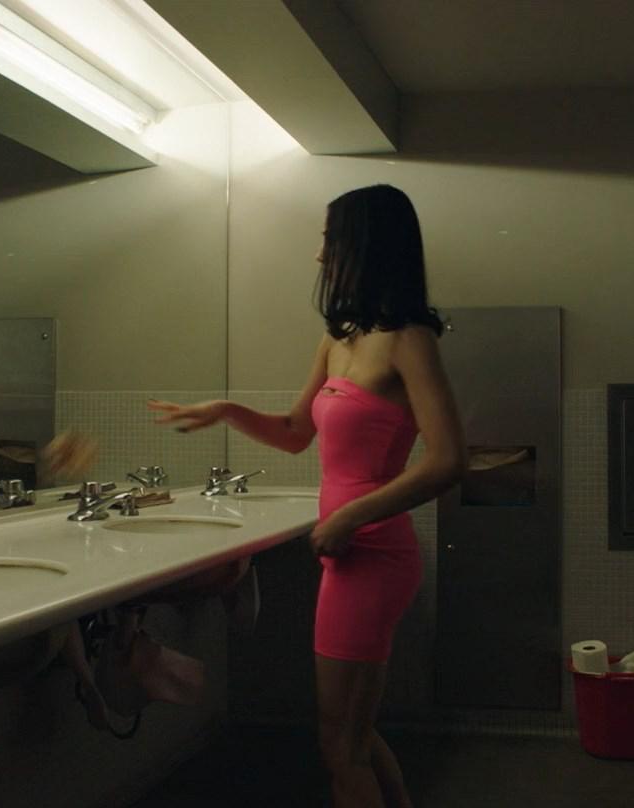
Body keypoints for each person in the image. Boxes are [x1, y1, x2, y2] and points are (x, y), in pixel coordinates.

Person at [147, 184, 464, 808]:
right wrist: (227, 409)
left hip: (375, 554)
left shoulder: (408, 340)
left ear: (364, 245)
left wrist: (351, 516)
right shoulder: (337, 340)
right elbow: (296, 433)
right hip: (346, 552)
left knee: (339, 747)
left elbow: (449, 459)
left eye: (329, 240)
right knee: (354, 737)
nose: (320, 256)